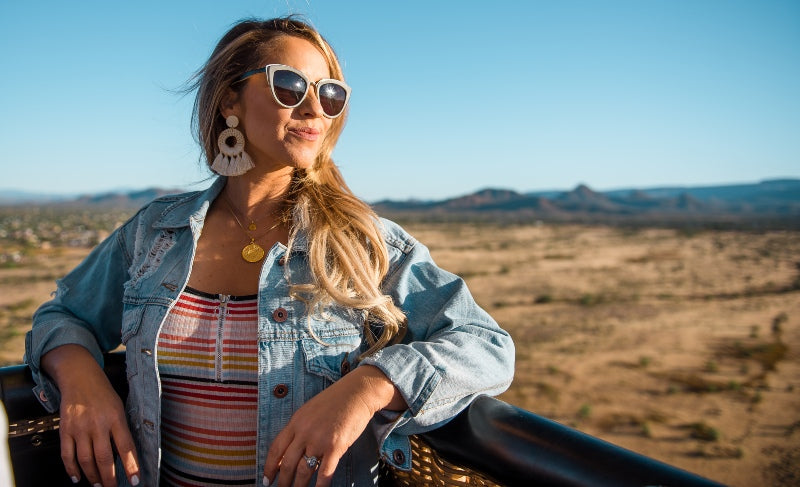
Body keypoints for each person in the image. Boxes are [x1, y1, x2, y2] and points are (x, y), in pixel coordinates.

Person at [25, 16, 515, 487]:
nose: (315, 110)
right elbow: (63, 315)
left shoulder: (362, 244)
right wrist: (83, 382)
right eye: (290, 86)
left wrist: (366, 388)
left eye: (330, 95)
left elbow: (486, 345)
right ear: (228, 99)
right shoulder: (155, 233)